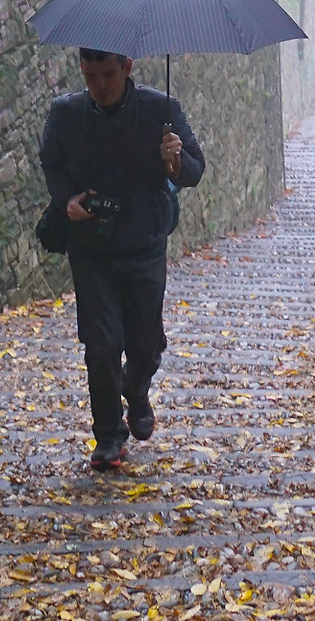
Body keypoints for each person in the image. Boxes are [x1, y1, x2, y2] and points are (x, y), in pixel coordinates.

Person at [39, 49, 205, 470]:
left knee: (145, 345)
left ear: (128, 67)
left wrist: (175, 160)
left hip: (145, 243)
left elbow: (194, 171)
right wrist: (67, 200)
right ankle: (109, 435)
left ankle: (136, 389)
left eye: (109, 74)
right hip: (91, 248)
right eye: (91, 75)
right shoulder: (66, 114)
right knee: (101, 345)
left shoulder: (160, 110)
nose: (100, 85)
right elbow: (52, 163)